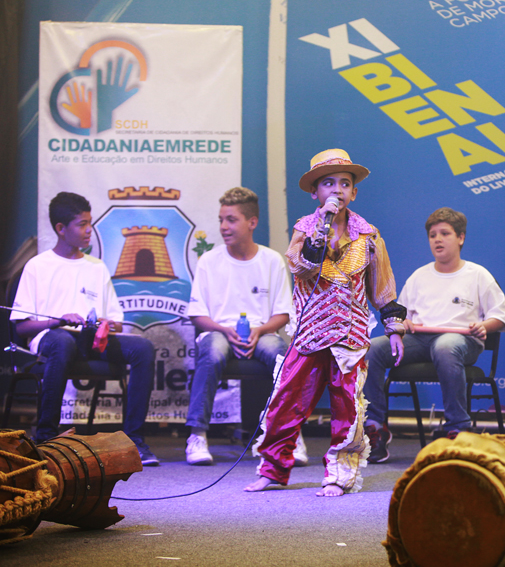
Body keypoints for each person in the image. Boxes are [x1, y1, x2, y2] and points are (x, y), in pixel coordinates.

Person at [245, 149, 406, 496]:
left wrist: (393, 328)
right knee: (285, 401)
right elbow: (303, 265)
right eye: (328, 183)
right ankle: (273, 469)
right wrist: (322, 225)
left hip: (349, 335)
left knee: (347, 407)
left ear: (355, 192)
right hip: (309, 332)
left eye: (345, 183)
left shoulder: (369, 237)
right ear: (315, 192)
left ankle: (341, 474)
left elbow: (382, 287)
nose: (338, 189)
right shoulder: (304, 230)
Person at [11, 192, 158, 465]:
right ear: (60, 229)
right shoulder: (38, 266)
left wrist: (105, 322)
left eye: (90, 223)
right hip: (52, 338)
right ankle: (45, 437)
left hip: (91, 339)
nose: (88, 230)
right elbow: (23, 328)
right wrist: (58, 320)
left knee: (143, 348)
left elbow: (115, 320)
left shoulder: (97, 267)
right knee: (62, 341)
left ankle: (135, 440)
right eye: (81, 224)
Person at [363, 207, 505, 462]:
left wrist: (485, 326)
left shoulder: (478, 275)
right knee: (374, 347)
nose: (438, 240)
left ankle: (458, 427)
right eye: (433, 235)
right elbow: (400, 315)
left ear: (461, 238)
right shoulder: (419, 276)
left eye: (445, 233)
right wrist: (404, 321)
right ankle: (375, 427)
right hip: (419, 340)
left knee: (445, 346)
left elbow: (500, 317)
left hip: (462, 340)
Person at [183, 187, 297, 466]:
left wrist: (258, 331)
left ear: (252, 223)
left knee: (282, 357)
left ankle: (289, 436)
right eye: (221, 219)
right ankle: (197, 435)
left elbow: (283, 313)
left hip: (262, 332)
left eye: (231, 220)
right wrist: (226, 331)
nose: (223, 227)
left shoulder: (272, 260)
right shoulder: (209, 260)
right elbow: (198, 315)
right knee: (212, 353)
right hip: (219, 332)